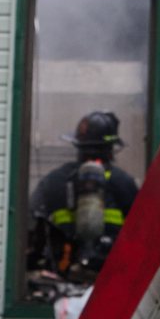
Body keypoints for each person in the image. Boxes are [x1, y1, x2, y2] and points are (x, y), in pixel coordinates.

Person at [27, 111, 139, 289]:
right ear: (110, 149)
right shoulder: (123, 183)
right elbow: (141, 235)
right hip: (111, 281)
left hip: (62, 279)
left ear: (78, 145)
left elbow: (32, 229)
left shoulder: (53, 180)